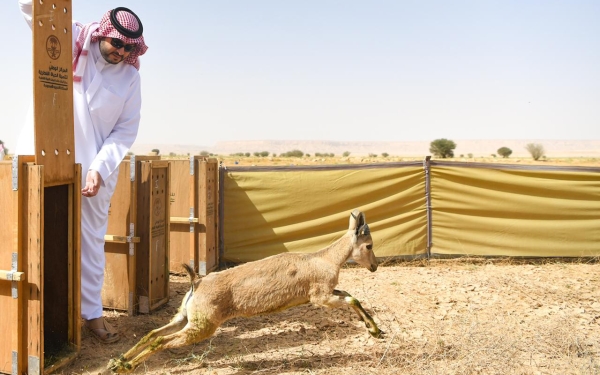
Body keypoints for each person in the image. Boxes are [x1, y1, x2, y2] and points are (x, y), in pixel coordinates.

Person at [16, 1, 148, 343]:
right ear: (103, 33)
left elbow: (124, 131)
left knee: (90, 244)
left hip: (94, 173)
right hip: (42, 157)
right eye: (116, 43)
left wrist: (99, 169)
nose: (120, 51)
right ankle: (27, 318)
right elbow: (34, 12)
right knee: (29, 235)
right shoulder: (69, 39)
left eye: (128, 47)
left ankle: (91, 317)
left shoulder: (130, 78)